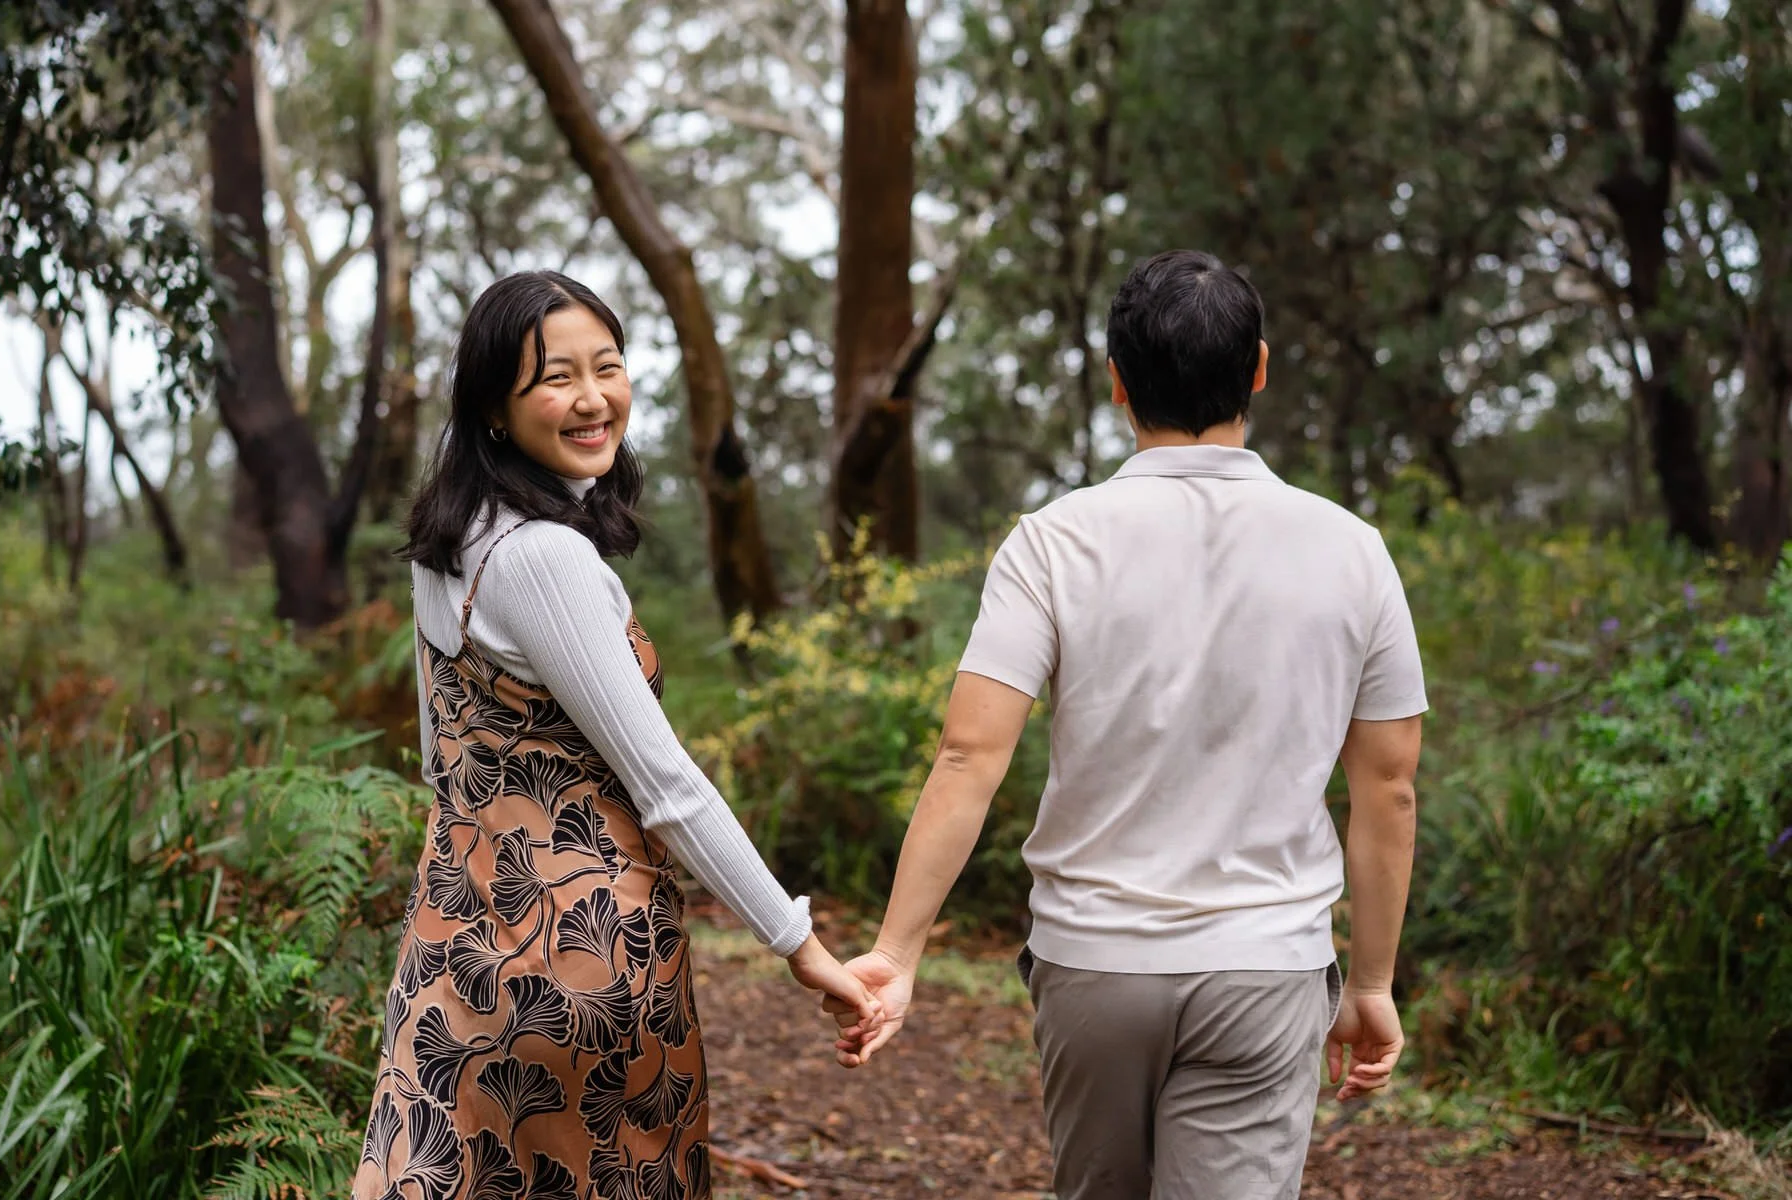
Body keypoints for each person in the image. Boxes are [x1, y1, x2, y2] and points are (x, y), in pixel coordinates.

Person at [831, 250, 1426, 1199]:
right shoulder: (1353, 551)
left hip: (1093, 963)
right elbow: (1387, 785)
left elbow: (969, 755)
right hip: (1265, 966)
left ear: (1116, 382)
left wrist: (898, 954)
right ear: (1260, 369)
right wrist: (1370, 985)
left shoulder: (1051, 543)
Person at [353, 270, 878, 1200]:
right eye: (556, 378)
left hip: (461, 947)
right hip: (590, 959)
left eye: (610, 366)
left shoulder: (447, 541)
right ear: (493, 408)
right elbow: (666, 786)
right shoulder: (546, 557)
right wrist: (799, 945)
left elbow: (445, 759)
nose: (594, 398)